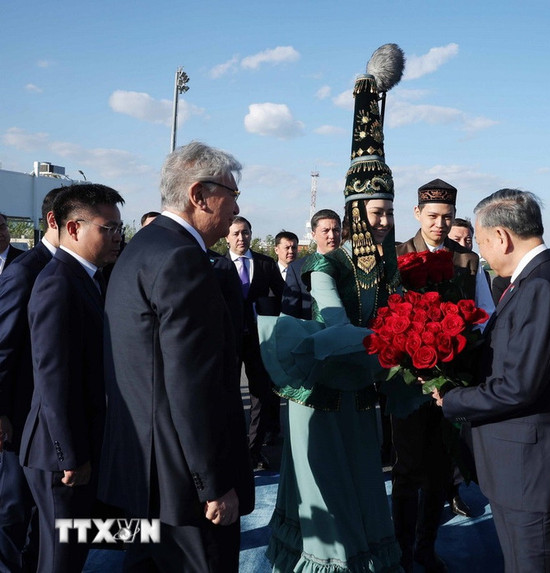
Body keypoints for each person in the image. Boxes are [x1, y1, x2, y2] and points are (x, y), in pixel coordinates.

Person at [261, 44, 404, 572]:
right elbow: (338, 326)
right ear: (356, 213)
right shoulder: (328, 265)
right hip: (322, 397)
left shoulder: (388, 267)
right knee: (331, 501)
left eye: (390, 210)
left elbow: (399, 311)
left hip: (363, 393)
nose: (385, 221)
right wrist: (393, 343)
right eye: (377, 211)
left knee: (366, 491)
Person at [98, 141, 254, 571]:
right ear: (199, 195)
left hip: (142, 474)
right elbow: (192, 385)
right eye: (232, 193)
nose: (237, 205)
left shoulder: (141, 247)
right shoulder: (183, 259)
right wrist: (213, 484)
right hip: (184, 489)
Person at [432, 189, 550, 572]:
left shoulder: (539, 286)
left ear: (501, 236)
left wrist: (452, 399)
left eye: (482, 242)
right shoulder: (537, 279)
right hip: (522, 470)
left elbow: (519, 386)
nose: (482, 252)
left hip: (531, 474)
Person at [19, 184, 124, 573]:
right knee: (61, 558)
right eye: (108, 228)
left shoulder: (87, 278)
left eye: (119, 228)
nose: (117, 236)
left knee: (72, 548)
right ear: (74, 228)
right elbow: (53, 379)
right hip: (58, 455)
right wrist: (71, 456)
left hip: (73, 448)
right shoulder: (57, 283)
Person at [394, 178, 495, 572]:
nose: (439, 224)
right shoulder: (397, 255)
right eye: (433, 216)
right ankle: (401, 551)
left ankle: (425, 549)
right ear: (417, 213)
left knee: (438, 470)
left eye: (447, 217)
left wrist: (460, 347)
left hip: (450, 381)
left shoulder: (467, 262)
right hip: (407, 381)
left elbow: (484, 317)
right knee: (405, 471)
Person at [0, 188, 63, 573]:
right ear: (56, 221)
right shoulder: (26, 272)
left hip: (46, 420)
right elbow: (4, 348)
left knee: (42, 515)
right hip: (19, 417)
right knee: (12, 509)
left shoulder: (61, 267)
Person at [225, 215, 284, 469]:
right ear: (227, 237)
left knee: (261, 393)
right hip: (228, 339)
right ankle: (234, 448)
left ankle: (253, 450)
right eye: (236, 233)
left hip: (260, 339)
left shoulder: (266, 264)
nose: (241, 238)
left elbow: (284, 298)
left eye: (246, 232)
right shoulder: (217, 266)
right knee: (229, 395)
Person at [281, 208, 341, 319]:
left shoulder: (350, 265)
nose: (332, 236)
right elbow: (290, 313)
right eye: (326, 231)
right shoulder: (297, 268)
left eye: (336, 230)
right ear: (313, 234)